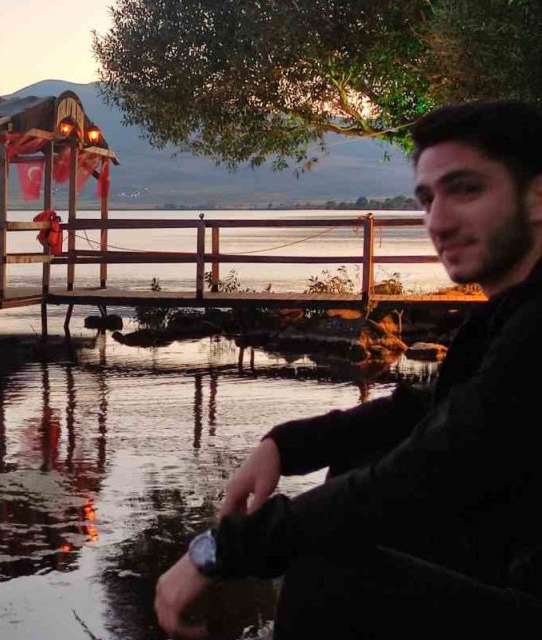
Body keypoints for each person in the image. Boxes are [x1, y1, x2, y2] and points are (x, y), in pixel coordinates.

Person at [155, 100, 542, 639]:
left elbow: (437, 465)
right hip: (509, 560)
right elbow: (423, 411)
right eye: (427, 199)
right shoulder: (507, 314)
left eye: (466, 190)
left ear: (537, 196)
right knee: (353, 462)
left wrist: (219, 549)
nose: (439, 221)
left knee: (328, 573)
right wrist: (287, 444)